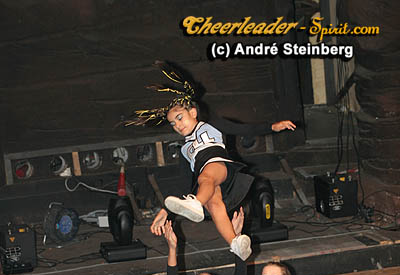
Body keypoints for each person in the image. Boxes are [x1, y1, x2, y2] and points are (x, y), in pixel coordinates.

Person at [125, 61, 296, 260]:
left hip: (219, 167)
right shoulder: (184, 150)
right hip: (208, 183)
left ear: (193, 112)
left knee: (205, 178)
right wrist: (165, 211)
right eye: (172, 123)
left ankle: (196, 203)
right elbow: (183, 186)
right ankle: (235, 244)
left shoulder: (211, 125)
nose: (177, 125)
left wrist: (272, 127)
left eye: (180, 118)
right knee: (215, 205)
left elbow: (242, 129)